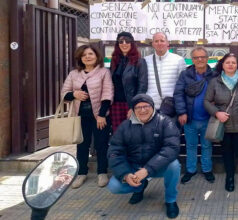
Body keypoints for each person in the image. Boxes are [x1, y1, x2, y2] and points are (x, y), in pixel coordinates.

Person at [107, 94, 181, 219]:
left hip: (156, 167)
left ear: (152, 107)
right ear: (133, 110)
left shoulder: (165, 122)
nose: (142, 110)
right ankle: (139, 187)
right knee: (114, 186)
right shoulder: (125, 126)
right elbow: (114, 151)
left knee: (174, 165)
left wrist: (147, 170)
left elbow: (172, 148)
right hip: (134, 167)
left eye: (146, 106)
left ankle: (171, 200)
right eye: (138, 107)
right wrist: (125, 174)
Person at [61, 44, 113, 189]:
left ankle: (102, 172)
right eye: (84, 55)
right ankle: (81, 173)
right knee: (81, 145)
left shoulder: (103, 72)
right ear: (80, 58)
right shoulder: (74, 74)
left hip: (99, 115)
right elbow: (64, 93)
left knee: (101, 144)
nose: (88, 57)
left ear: (97, 56)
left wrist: (102, 115)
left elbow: (108, 93)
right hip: (80, 116)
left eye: (91, 54)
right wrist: (74, 94)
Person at [204, 53, 238, 195]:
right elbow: (206, 101)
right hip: (222, 125)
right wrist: (216, 113)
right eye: (228, 62)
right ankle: (230, 178)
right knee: (227, 154)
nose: (231, 65)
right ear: (223, 65)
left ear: (237, 65)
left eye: (233, 62)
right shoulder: (215, 81)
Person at [173, 47, 217, 184]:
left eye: (202, 57)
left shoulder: (214, 75)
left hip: (208, 119)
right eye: (196, 57)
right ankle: (190, 170)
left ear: (207, 58)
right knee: (190, 145)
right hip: (190, 118)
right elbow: (178, 94)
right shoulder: (185, 75)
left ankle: (207, 170)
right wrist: (181, 112)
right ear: (192, 60)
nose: (200, 60)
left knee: (206, 145)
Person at [110, 32, 148, 132]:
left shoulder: (139, 61)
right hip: (116, 104)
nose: (124, 44)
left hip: (130, 103)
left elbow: (142, 86)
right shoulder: (114, 60)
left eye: (127, 41)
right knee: (118, 133)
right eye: (121, 41)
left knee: (133, 134)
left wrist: (134, 106)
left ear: (132, 43)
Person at [145, 32, 187, 112]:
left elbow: (183, 86)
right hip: (150, 107)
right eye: (156, 41)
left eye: (162, 40)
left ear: (167, 43)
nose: (159, 43)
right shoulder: (146, 61)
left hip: (171, 107)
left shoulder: (179, 60)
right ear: (153, 44)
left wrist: (182, 109)